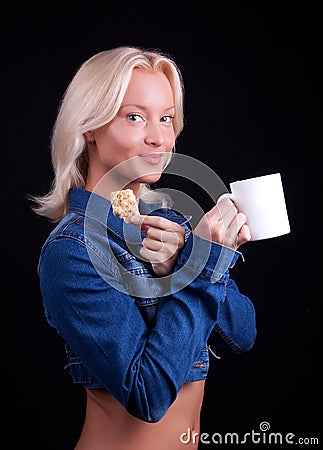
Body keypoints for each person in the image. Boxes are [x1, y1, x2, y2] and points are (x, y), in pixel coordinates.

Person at [31, 46, 257, 450]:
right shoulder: (73, 249)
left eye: (166, 118)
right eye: (135, 117)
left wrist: (184, 262)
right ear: (89, 127)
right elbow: (148, 395)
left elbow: (242, 334)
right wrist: (199, 267)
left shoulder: (173, 226)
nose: (159, 136)